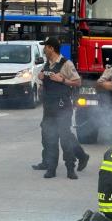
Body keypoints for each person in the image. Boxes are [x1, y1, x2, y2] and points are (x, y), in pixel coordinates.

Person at [34, 37, 86, 180]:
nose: (44, 49)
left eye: (46, 47)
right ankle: (51, 168)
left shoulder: (66, 64)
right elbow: (44, 84)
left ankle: (71, 168)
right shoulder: (47, 64)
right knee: (50, 138)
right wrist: (41, 80)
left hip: (63, 107)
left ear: (51, 48)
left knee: (65, 139)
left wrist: (62, 80)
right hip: (49, 107)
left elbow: (78, 82)